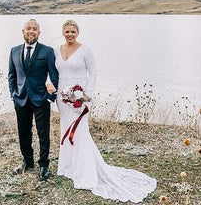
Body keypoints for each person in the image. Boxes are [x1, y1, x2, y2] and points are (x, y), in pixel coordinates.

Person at [46, 20, 157, 202]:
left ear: (78, 32)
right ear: (63, 32)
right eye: (67, 31)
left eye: (73, 31)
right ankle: (68, 168)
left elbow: (94, 71)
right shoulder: (56, 50)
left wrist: (87, 94)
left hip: (80, 97)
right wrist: (48, 84)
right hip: (62, 98)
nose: (70, 34)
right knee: (66, 131)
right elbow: (51, 72)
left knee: (80, 132)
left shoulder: (85, 50)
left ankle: (85, 171)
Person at [8, 19, 59, 181]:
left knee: (43, 133)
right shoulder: (14, 51)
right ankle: (27, 161)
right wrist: (13, 95)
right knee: (24, 133)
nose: (31, 31)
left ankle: (44, 165)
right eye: (28, 29)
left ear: (39, 32)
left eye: (34, 29)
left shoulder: (47, 51)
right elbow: (11, 75)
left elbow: (54, 75)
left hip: (41, 99)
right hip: (21, 99)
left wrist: (50, 98)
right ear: (23, 31)